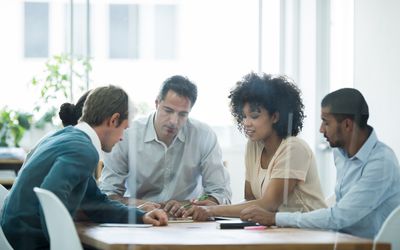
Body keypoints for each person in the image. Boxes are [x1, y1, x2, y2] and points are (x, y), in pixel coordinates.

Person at [1, 85, 168, 250]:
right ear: (113, 120)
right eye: (124, 129)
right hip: (30, 242)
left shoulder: (65, 137)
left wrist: (141, 216)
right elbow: (52, 195)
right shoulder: (83, 149)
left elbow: (96, 203)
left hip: (15, 235)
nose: (122, 138)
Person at [239, 88, 400, 239]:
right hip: (341, 239)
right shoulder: (341, 153)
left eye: (326, 122)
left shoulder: (381, 162)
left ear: (347, 125)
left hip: (369, 245)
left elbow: (340, 216)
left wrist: (275, 218)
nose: (321, 129)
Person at [182, 72, 326, 220]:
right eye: (244, 116)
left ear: (275, 117)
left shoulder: (294, 148)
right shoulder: (253, 146)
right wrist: (211, 207)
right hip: (278, 232)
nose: (246, 123)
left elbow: (269, 204)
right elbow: (250, 201)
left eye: (254, 116)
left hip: (310, 232)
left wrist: (213, 210)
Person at [99, 75, 232, 214]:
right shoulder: (127, 135)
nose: (174, 121)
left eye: (182, 114)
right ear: (156, 103)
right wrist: (144, 206)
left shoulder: (204, 135)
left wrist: (198, 204)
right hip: (140, 218)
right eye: (168, 111)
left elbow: (220, 193)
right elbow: (108, 194)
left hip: (188, 220)